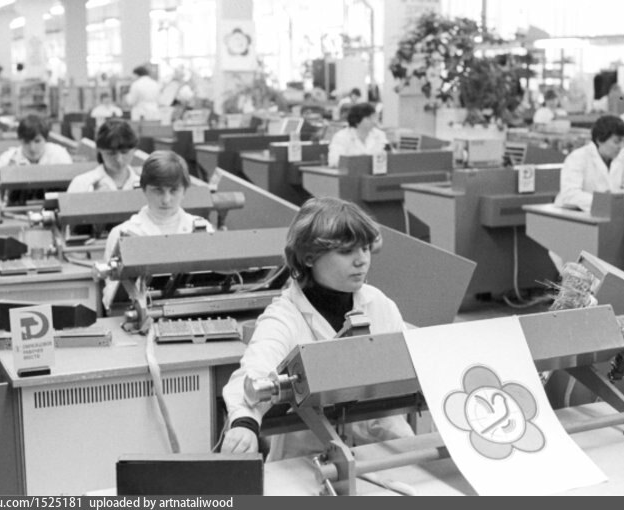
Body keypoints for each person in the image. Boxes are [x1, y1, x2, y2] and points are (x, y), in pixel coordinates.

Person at [221, 197, 414, 460]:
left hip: (382, 443)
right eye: (347, 252)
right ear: (309, 257)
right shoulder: (285, 317)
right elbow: (252, 377)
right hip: (310, 454)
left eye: (366, 249)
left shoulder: (378, 303)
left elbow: (415, 358)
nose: (361, 261)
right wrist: (244, 425)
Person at [102, 150, 214, 310]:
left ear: (185, 190)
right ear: (144, 189)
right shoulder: (122, 234)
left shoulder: (202, 228)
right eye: (158, 190)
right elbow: (110, 300)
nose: (166, 200)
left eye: (173, 190)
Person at [554, 115, 624, 213]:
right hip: (573, 214)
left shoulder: (622, 157)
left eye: (623, 141)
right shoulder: (577, 158)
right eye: (616, 142)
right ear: (599, 140)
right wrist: (604, 201)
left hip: (608, 213)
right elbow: (570, 195)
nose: (621, 146)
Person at [68, 118, 139, 193]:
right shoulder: (82, 183)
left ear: (134, 149)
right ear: (99, 150)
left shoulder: (143, 184)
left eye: (125, 152)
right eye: (111, 153)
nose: (119, 159)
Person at [0, 114, 72, 167]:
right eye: (27, 142)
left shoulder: (59, 156)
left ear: (45, 139)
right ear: (20, 140)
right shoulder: (7, 159)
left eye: (37, 141)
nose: (32, 148)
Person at [327, 103, 389, 167]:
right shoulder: (341, 137)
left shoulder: (379, 134)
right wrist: (359, 162)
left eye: (374, 118)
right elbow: (334, 161)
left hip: (375, 172)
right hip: (351, 172)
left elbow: (387, 157)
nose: (374, 121)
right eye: (369, 118)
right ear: (357, 120)